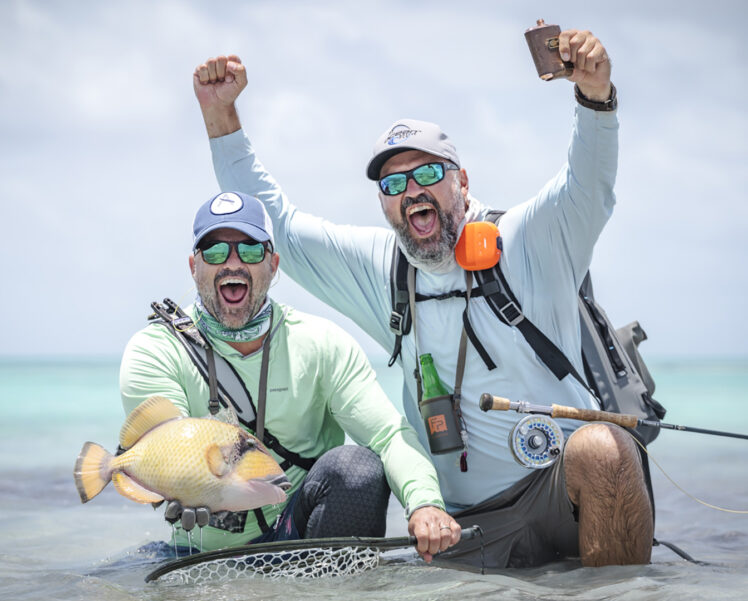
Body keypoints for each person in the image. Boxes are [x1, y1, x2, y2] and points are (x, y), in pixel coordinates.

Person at [191, 28, 654, 569]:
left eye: (427, 173)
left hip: (561, 499)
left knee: (605, 449)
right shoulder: (383, 267)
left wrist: (595, 98)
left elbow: (587, 186)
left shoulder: (530, 240)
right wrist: (221, 117)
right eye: (392, 184)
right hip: (462, 528)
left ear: (461, 180)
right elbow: (282, 228)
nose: (411, 191)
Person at [119, 191, 460, 561]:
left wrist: (426, 503)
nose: (233, 264)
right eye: (215, 252)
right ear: (193, 266)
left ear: (274, 264)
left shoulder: (321, 343)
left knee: (358, 468)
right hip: (196, 553)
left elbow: (388, 435)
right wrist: (177, 488)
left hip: (296, 536)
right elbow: (163, 449)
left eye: (250, 250)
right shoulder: (155, 349)